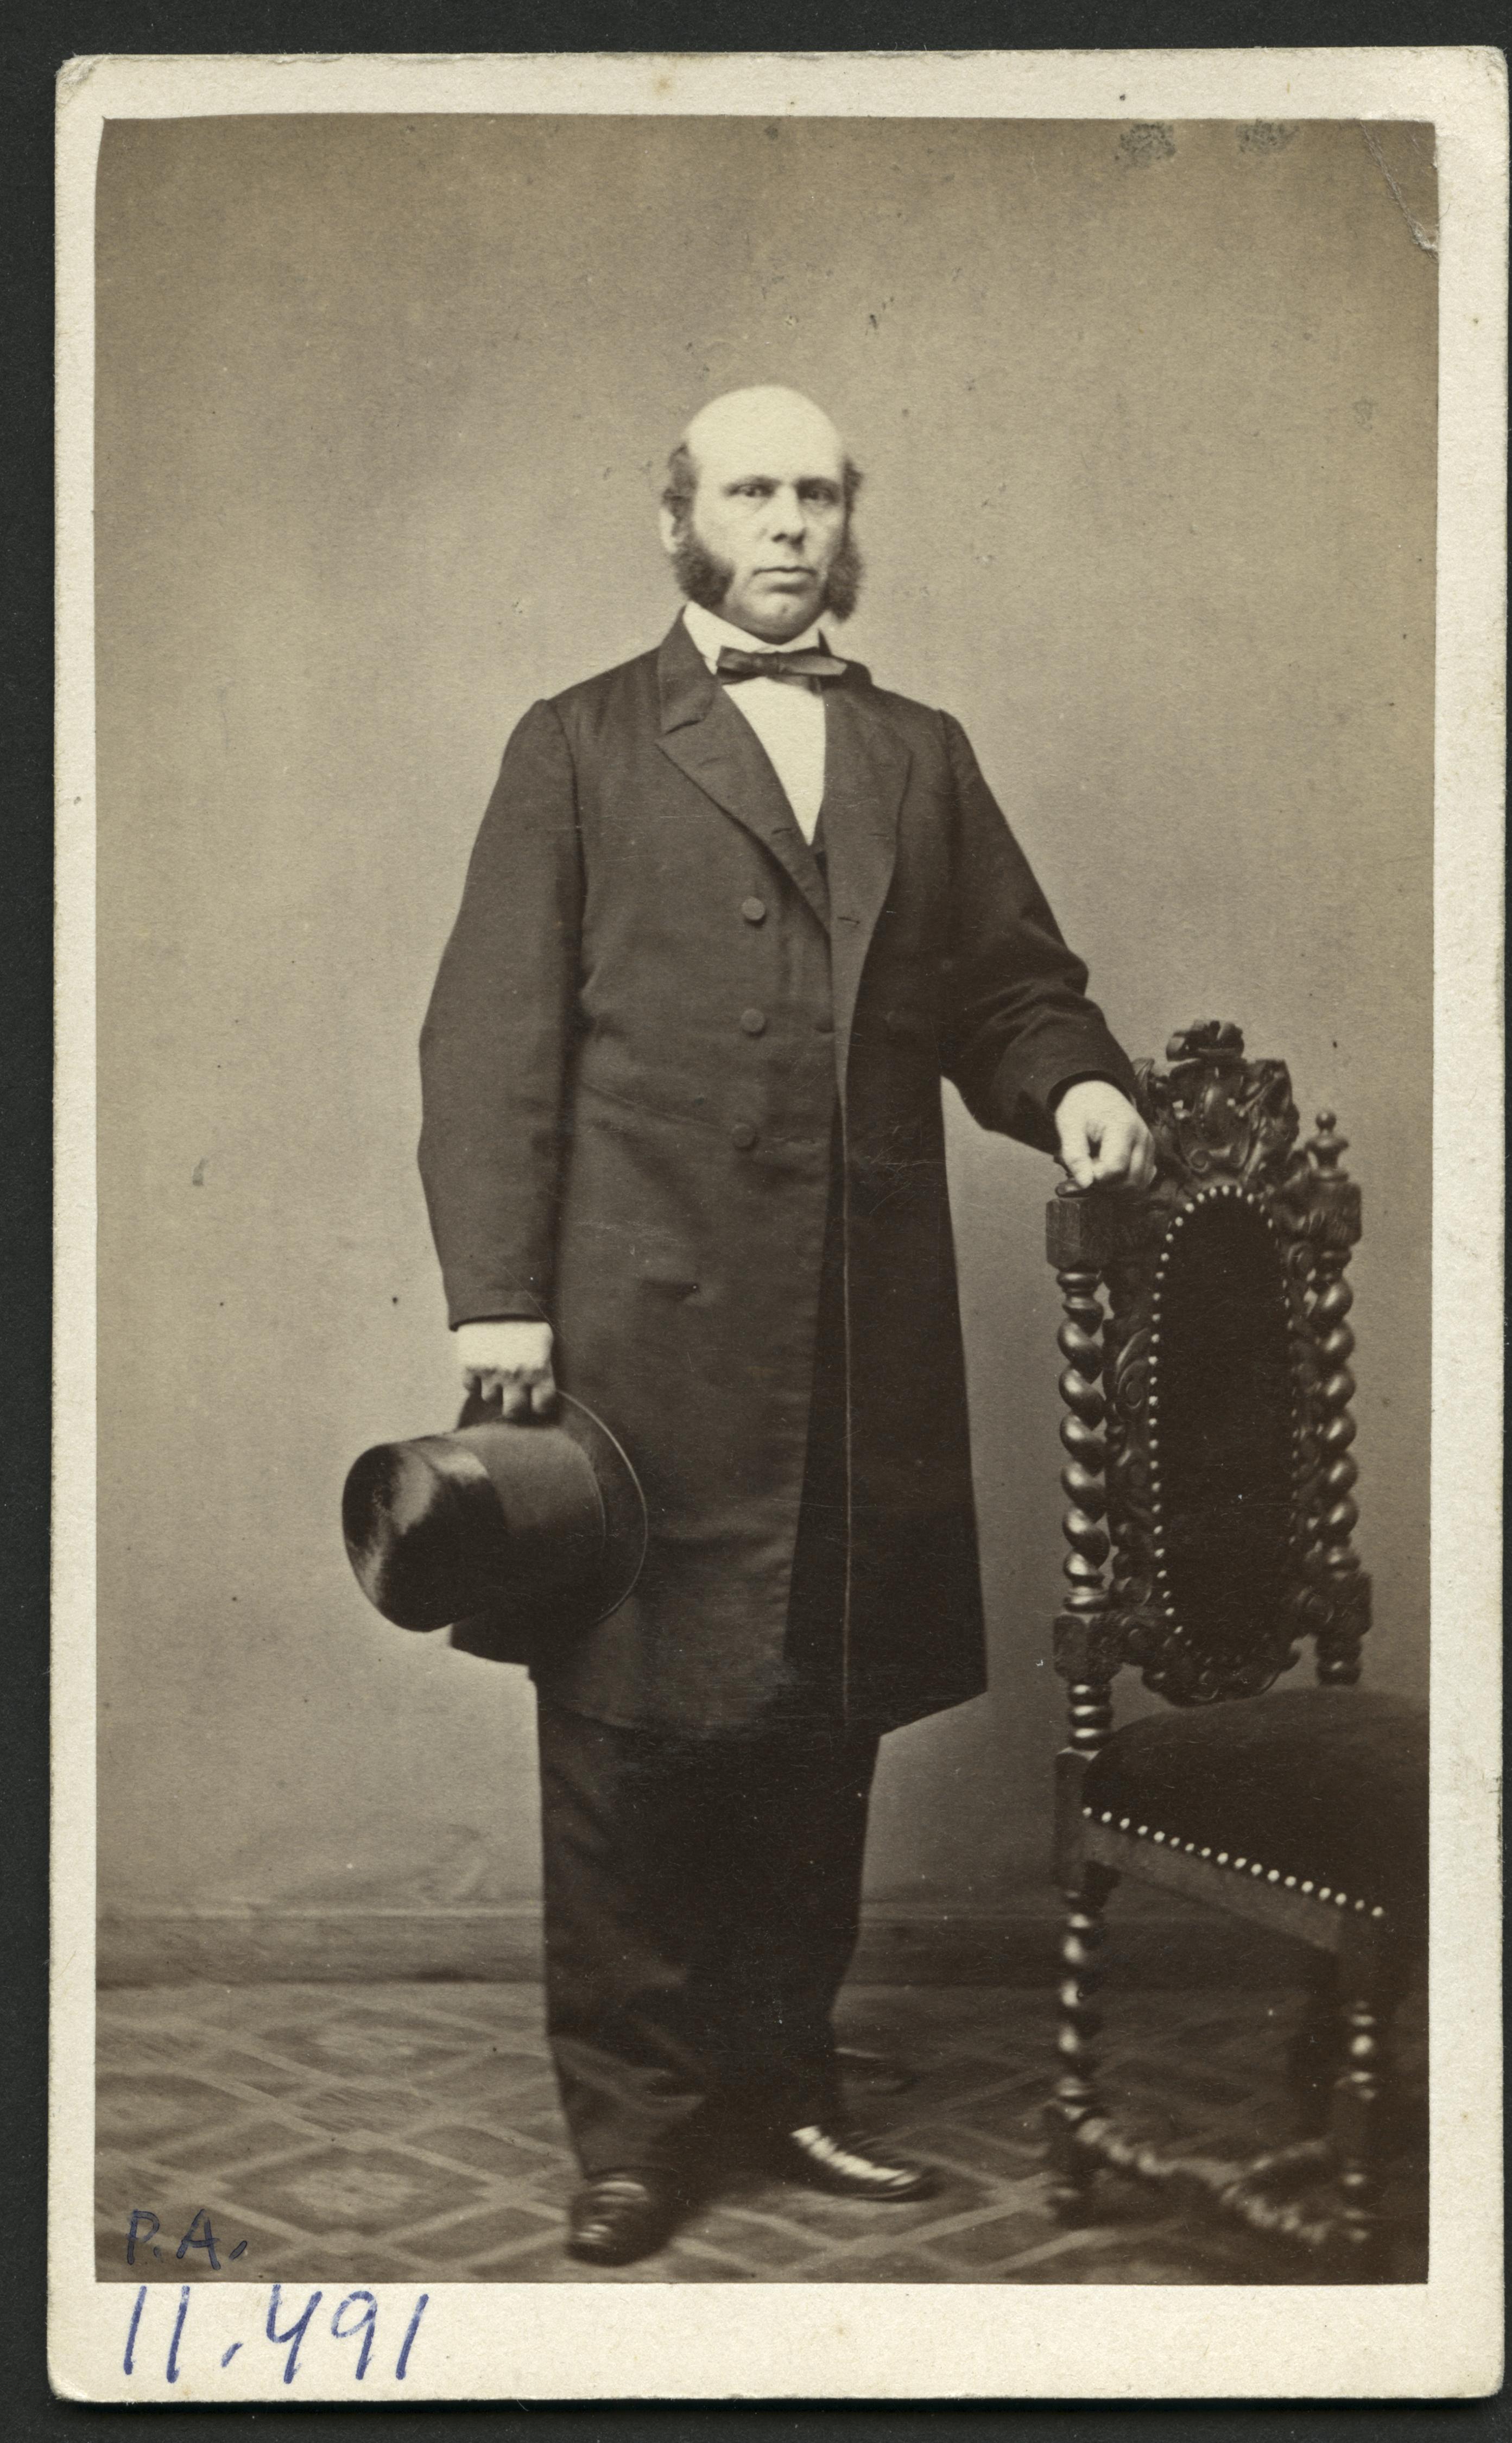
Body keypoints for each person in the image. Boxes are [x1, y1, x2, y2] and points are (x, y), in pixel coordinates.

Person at [417, 385, 1154, 2265]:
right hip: (635, 1342)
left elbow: (1012, 988)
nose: (790, 523)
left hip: (858, 1337)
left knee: (819, 1722)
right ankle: (635, 2129)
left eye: (818, 492)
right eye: (751, 490)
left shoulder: (918, 751)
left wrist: (1073, 1080)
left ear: (849, 522)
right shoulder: (577, 743)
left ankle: (782, 2075)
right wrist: (499, 1299)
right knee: (627, 1730)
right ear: (678, 518)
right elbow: (489, 1038)